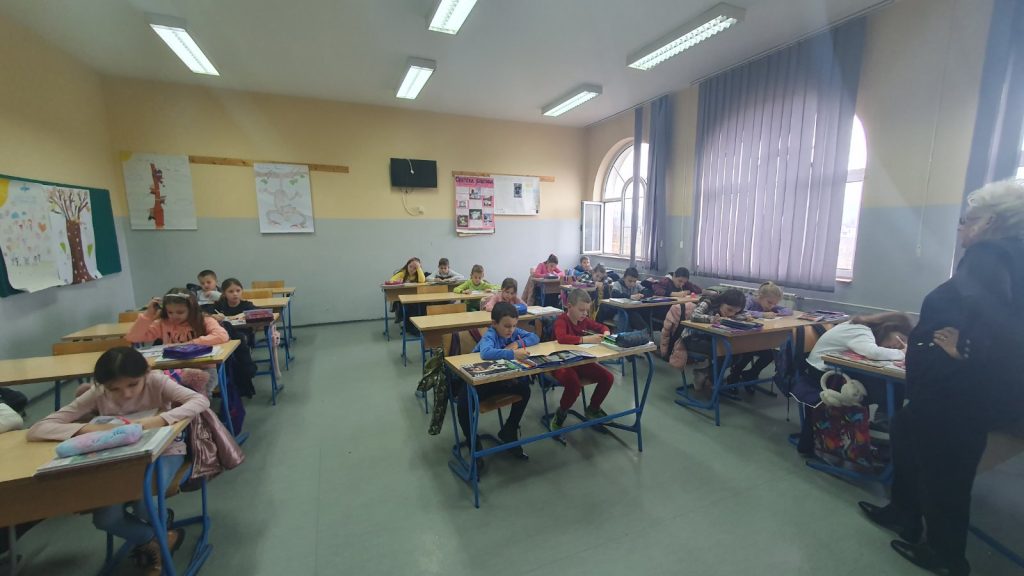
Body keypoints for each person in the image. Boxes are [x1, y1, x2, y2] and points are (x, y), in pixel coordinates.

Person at [858, 180, 1024, 576]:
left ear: (989, 222)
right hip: (954, 392)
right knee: (904, 429)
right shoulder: (1011, 257)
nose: (961, 227)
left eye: (967, 220)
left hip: (957, 393)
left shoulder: (989, 256)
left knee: (947, 472)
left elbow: (998, 324)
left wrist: (965, 348)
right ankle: (903, 512)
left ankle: (946, 556)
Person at [28, 347, 209, 575]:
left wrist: (161, 419)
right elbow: (38, 429)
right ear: (103, 385)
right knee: (105, 519)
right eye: (115, 389)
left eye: (133, 384)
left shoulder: (156, 381)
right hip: (118, 460)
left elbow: (199, 400)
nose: (126, 394)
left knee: (143, 500)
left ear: (145, 374)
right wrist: (89, 428)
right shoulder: (97, 392)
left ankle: (159, 531)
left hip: (165, 452)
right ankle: (160, 537)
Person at [461, 302, 538, 461]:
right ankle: (473, 443)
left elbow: (534, 337)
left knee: (524, 390)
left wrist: (516, 343)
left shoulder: (513, 332)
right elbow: (486, 353)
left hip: (498, 379)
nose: (511, 330)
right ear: (494, 323)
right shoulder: (490, 334)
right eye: (507, 326)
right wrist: (513, 354)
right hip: (477, 381)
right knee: (464, 404)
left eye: (514, 326)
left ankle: (509, 430)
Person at [127, 289, 229, 395]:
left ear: (192, 310)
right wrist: (148, 314)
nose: (174, 316)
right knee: (164, 392)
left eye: (180, 312)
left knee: (198, 393)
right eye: (170, 312)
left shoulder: (205, 320)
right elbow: (133, 337)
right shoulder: (163, 323)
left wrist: (190, 344)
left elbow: (222, 335)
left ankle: (201, 404)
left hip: (203, 368)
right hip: (172, 369)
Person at [549, 289, 615, 431]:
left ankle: (593, 408)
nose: (585, 313)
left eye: (587, 310)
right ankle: (561, 412)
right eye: (581, 310)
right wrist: (585, 339)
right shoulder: (561, 321)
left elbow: (602, 326)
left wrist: (606, 333)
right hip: (561, 363)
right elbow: (561, 338)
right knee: (574, 384)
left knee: (608, 377)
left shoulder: (584, 320)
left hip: (580, 361)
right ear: (569, 306)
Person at [671, 289, 752, 400]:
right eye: (729, 310)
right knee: (726, 353)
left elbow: (746, 314)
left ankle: (704, 373)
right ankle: (713, 382)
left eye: (735, 312)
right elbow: (694, 316)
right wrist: (712, 319)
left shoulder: (733, 311)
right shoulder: (708, 302)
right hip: (693, 339)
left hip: (715, 339)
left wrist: (735, 317)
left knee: (737, 353)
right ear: (722, 301)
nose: (731, 313)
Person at [730, 282, 794, 388]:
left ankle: (751, 374)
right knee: (748, 352)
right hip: (740, 339)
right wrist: (762, 314)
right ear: (760, 296)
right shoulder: (749, 301)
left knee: (770, 354)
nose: (772, 306)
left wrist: (777, 312)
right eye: (769, 302)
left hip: (756, 339)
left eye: (775, 304)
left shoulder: (770, 305)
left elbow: (788, 311)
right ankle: (734, 375)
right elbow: (741, 312)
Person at [608, 267, 648, 331]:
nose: (632, 284)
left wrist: (642, 295)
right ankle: (644, 332)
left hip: (632, 309)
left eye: (634, 281)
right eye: (630, 281)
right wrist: (630, 296)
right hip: (619, 312)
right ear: (624, 278)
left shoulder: (636, 285)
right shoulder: (618, 284)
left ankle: (644, 332)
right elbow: (615, 294)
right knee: (633, 315)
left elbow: (646, 291)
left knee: (645, 312)